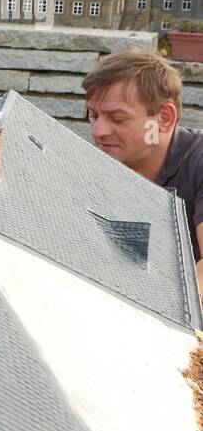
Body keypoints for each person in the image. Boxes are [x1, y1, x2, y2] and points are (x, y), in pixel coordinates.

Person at [82, 48, 203, 284]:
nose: (98, 132)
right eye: (94, 115)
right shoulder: (100, 164)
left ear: (165, 118)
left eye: (117, 118)